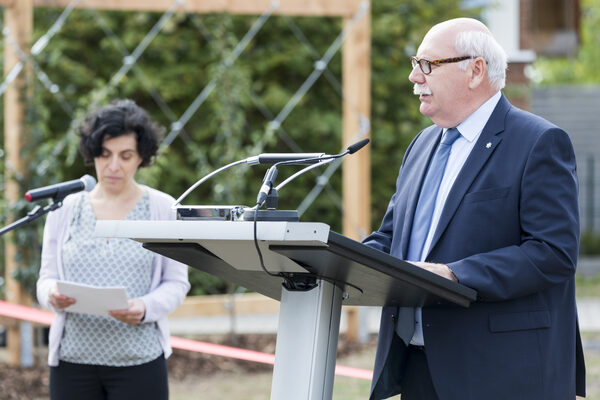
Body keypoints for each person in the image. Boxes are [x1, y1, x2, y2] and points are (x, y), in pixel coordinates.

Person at [364, 18, 585, 400]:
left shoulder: (538, 142)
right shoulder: (421, 146)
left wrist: (453, 274)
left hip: (502, 373)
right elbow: (391, 239)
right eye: (416, 64)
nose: (415, 76)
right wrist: (327, 262)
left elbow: (553, 253)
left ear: (475, 70)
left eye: (427, 64)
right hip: (419, 368)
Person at [36, 99, 191, 400]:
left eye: (126, 155)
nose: (114, 166)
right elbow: (45, 279)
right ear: (92, 154)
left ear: (142, 157)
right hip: (72, 364)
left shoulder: (164, 208)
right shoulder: (64, 209)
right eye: (105, 155)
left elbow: (176, 282)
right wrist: (51, 294)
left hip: (139, 364)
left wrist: (145, 307)